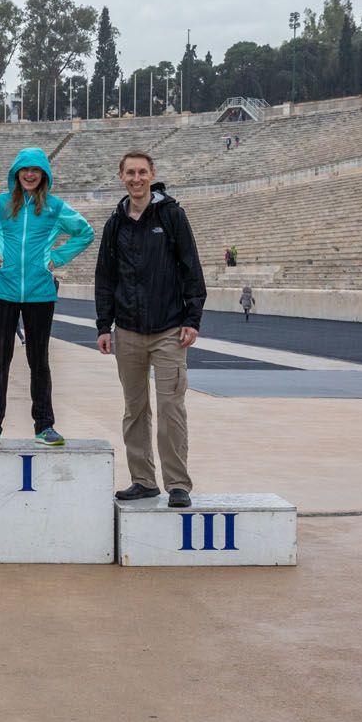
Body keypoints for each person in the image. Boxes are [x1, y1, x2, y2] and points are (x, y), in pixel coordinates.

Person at [95, 151, 207, 509]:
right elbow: (105, 277)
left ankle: (178, 484)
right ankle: (143, 480)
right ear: (121, 176)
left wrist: (192, 319)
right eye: (130, 172)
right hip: (127, 329)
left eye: (142, 172)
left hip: (169, 330)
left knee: (171, 407)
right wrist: (103, 325)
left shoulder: (171, 215)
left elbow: (191, 267)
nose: (136, 178)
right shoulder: (116, 222)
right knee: (135, 409)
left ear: (152, 174)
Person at [0, 147, 95, 448]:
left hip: (40, 292)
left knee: (39, 359)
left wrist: (56, 258)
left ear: (44, 175)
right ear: (16, 174)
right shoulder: (0, 205)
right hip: (4, 291)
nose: (29, 174)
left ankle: (44, 425)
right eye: (24, 170)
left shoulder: (54, 207)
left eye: (35, 170)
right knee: (0, 358)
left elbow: (85, 232)